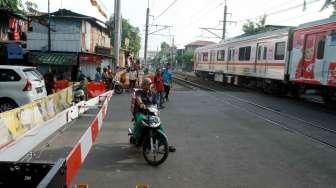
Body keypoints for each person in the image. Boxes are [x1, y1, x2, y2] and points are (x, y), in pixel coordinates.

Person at [132, 78, 175, 152]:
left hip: (151, 113)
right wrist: (141, 104)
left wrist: (157, 108)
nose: (149, 86)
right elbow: (138, 99)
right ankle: (136, 137)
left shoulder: (153, 93)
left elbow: (155, 103)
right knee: (140, 119)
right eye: (148, 84)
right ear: (143, 85)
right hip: (140, 112)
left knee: (159, 124)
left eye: (150, 84)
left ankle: (165, 144)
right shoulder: (139, 92)